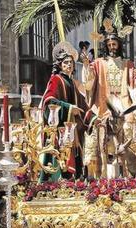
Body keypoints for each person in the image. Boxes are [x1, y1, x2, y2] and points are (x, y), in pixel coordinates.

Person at [81, 19, 135, 178]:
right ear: (106, 46)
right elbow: (89, 84)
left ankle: (128, 172)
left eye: (114, 44)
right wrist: (86, 65)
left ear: (119, 45)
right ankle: (101, 174)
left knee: (128, 131)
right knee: (99, 136)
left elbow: (133, 84)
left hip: (124, 106)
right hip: (104, 107)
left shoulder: (127, 64)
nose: (112, 47)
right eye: (109, 44)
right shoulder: (98, 63)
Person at [40, 40, 90, 181]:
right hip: (60, 128)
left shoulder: (72, 83)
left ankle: (73, 181)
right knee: (60, 158)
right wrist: (68, 108)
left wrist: (93, 118)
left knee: (74, 156)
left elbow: (82, 104)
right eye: (65, 62)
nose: (69, 65)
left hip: (72, 129)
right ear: (60, 65)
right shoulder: (56, 79)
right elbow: (49, 100)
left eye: (71, 62)